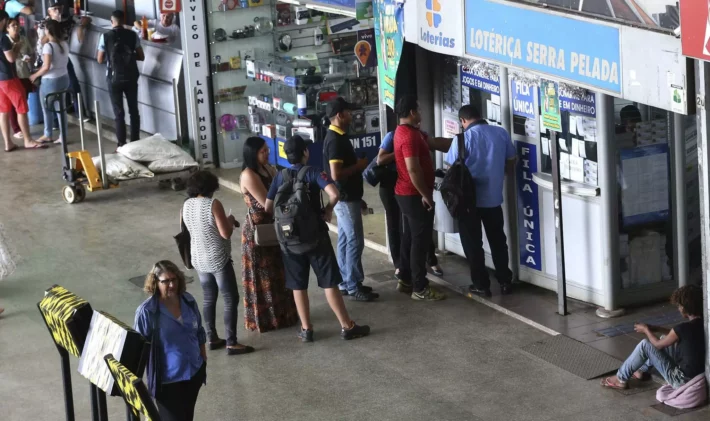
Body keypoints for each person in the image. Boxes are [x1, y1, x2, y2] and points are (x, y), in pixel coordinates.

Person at [265, 135, 370, 342]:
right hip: (315, 237)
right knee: (329, 282)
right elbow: (334, 193)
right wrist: (328, 210)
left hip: (289, 240)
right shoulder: (313, 172)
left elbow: (268, 207)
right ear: (306, 152)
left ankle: (306, 329)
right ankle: (346, 326)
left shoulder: (280, 176)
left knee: (298, 285)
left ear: (286, 155)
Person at [445, 104, 516, 297]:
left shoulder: (462, 139)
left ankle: (481, 285)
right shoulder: (500, 133)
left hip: (468, 202)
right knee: (498, 241)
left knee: (473, 244)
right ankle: (505, 281)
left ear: (463, 121)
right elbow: (511, 160)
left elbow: (451, 166)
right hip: (493, 199)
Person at [182, 171, 254, 355]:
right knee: (230, 298)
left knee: (208, 297)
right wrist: (230, 220)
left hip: (198, 257)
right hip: (216, 257)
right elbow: (225, 233)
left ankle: (211, 338)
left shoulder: (186, 205)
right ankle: (231, 342)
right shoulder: (212, 204)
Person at [392, 95, 451, 301]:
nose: (421, 113)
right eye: (419, 110)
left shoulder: (406, 132)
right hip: (413, 195)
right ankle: (420, 287)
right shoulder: (408, 137)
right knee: (420, 241)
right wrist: (426, 195)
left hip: (405, 193)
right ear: (411, 113)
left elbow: (435, 143)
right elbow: (413, 169)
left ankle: (406, 278)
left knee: (409, 237)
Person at [134, 261, 207, 421]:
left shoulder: (188, 301)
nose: (172, 285)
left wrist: (202, 361)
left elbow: (199, 331)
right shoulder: (147, 312)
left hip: (193, 373)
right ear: (155, 283)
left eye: (174, 279)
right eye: (165, 281)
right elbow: (139, 349)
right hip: (167, 382)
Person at [239, 136, 298, 332]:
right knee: (263, 275)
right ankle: (267, 319)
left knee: (278, 272)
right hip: (259, 231)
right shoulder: (248, 174)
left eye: (267, 150)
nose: (267, 154)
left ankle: (283, 314)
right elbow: (267, 203)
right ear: (253, 154)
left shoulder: (267, 168)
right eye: (263, 151)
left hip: (274, 226)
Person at [323, 97, 378, 301]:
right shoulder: (335, 140)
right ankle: (354, 285)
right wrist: (360, 165)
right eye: (349, 112)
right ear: (340, 115)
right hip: (344, 198)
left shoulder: (338, 136)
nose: (352, 115)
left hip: (345, 197)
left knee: (346, 240)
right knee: (355, 241)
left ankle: (346, 281)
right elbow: (336, 174)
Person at [601, 285, 706, 390]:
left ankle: (620, 378)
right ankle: (641, 370)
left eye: (679, 306)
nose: (678, 309)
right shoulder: (704, 324)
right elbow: (676, 335)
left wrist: (646, 330)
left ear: (684, 308)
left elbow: (657, 345)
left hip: (682, 381)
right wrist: (657, 328)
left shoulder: (683, 328)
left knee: (645, 345)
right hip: (698, 376)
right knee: (664, 337)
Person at [378, 130, 444, 281]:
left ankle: (429, 261)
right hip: (391, 185)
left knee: (414, 231)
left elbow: (435, 143)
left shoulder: (419, 134)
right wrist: (401, 152)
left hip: (410, 186)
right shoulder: (394, 135)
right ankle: (400, 266)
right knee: (396, 225)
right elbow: (380, 160)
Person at [97, 10, 144, 147]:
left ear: (112, 22)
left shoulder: (105, 36)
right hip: (131, 77)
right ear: (123, 21)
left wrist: (113, 59)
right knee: (133, 111)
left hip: (113, 78)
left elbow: (100, 59)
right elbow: (141, 56)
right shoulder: (132, 35)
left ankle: (121, 144)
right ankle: (135, 142)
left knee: (119, 113)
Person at [38, 1, 91, 119]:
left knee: (73, 83)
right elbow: (42, 41)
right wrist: (54, 26)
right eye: (54, 9)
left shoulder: (68, 20)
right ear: (49, 11)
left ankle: (80, 113)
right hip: (49, 57)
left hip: (63, 55)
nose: (58, 11)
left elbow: (85, 20)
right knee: (53, 89)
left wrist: (81, 26)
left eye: (59, 9)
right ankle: (55, 120)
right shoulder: (44, 23)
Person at [0, 10, 44, 152]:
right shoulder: (3, 38)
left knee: (4, 111)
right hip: (9, 77)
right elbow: (11, 58)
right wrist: (17, 47)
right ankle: (28, 140)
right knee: (21, 108)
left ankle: (8, 143)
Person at [30, 19, 70, 145]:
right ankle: (63, 136)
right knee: (61, 108)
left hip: (50, 81)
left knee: (47, 108)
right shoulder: (64, 44)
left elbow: (47, 66)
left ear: (48, 30)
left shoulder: (49, 47)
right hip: (64, 78)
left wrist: (35, 75)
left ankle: (48, 134)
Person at [5, 17, 32, 141]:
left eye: (17, 25)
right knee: (12, 104)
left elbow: (31, 52)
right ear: (7, 28)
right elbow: (9, 58)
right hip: (12, 75)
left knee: (23, 101)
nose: (16, 27)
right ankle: (16, 129)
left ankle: (23, 127)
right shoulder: (5, 41)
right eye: (13, 25)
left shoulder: (24, 39)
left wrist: (30, 58)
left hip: (24, 73)